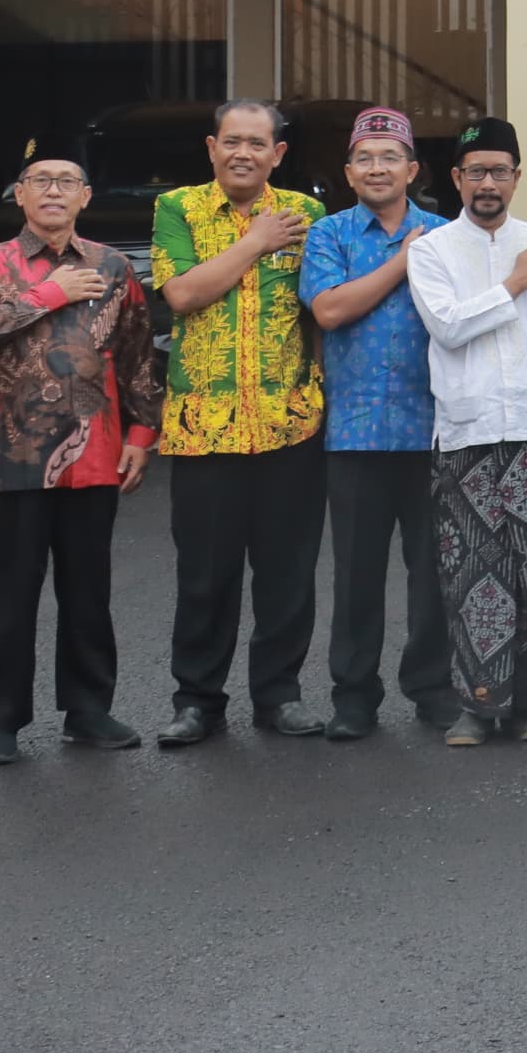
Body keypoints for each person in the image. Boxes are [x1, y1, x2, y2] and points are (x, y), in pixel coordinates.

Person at [0, 134, 160, 763]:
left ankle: (90, 711)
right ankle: (3, 723)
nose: (53, 191)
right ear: (19, 194)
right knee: (10, 597)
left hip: (96, 457)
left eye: (67, 181)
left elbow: (138, 356)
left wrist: (143, 435)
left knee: (88, 593)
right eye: (40, 180)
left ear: (86, 196)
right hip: (14, 462)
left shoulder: (114, 266)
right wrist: (50, 293)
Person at [404, 116, 527, 743]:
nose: (489, 183)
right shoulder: (430, 249)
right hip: (466, 432)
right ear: (457, 178)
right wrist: (514, 283)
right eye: (476, 172)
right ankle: (476, 706)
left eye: (501, 171)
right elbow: (449, 327)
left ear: (517, 177)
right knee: (472, 573)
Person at [149, 99, 331, 747]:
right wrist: (255, 242)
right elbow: (183, 294)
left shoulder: (308, 216)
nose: (243, 153)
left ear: (278, 154)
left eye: (258, 143)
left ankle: (279, 695)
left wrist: (320, 391)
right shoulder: (179, 209)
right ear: (211, 147)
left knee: (288, 571)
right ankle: (198, 700)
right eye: (232, 141)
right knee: (206, 572)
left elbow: (319, 312)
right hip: (205, 426)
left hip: (289, 423)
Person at [299, 107, 457, 741]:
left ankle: (431, 685)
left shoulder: (448, 233)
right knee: (357, 572)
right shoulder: (330, 234)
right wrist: (403, 263)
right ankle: (354, 694)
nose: (376, 168)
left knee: (434, 571)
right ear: (348, 171)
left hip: (435, 428)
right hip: (356, 432)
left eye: (389, 157)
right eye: (364, 158)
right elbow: (331, 309)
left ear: (412, 168)